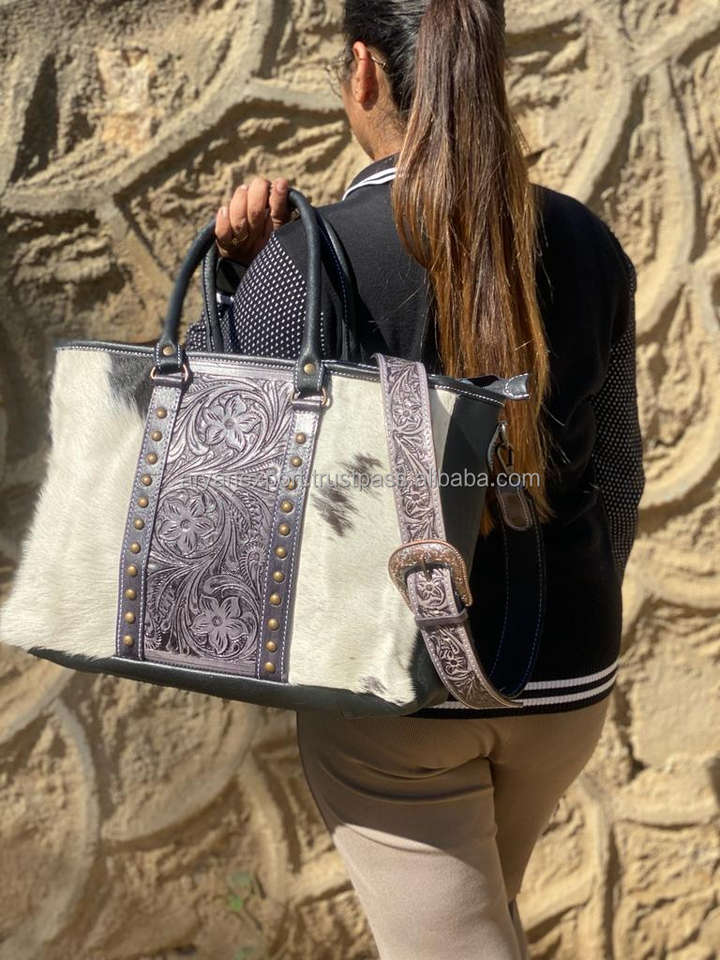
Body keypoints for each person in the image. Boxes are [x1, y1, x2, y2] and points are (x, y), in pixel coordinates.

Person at [185, 1, 645, 956]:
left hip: (398, 690)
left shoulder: (307, 255)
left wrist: (236, 280)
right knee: (483, 925)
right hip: (569, 674)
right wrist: (579, 604)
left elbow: (215, 456)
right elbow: (620, 476)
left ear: (363, 72)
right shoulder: (587, 241)